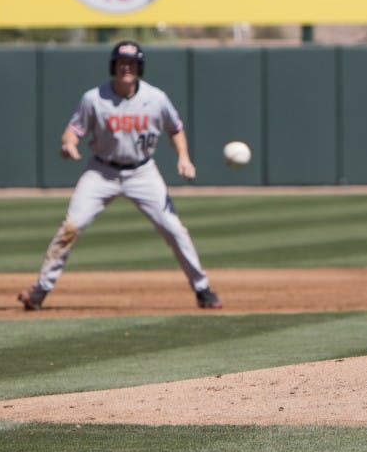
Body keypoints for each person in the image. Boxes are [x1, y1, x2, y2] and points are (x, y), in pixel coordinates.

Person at [17, 41, 222, 311]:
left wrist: (183, 157)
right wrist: (68, 144)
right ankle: (39, 291)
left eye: (133, 63)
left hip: (142, 172)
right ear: (113, 67)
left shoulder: (156, 98)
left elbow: (175, 129)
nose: (127, 68)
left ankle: (203, 289)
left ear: (140, 68)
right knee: (71, 226)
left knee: (174, 229)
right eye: (122, 63)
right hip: (101, 172)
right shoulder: (94, 98)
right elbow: (73, 130)